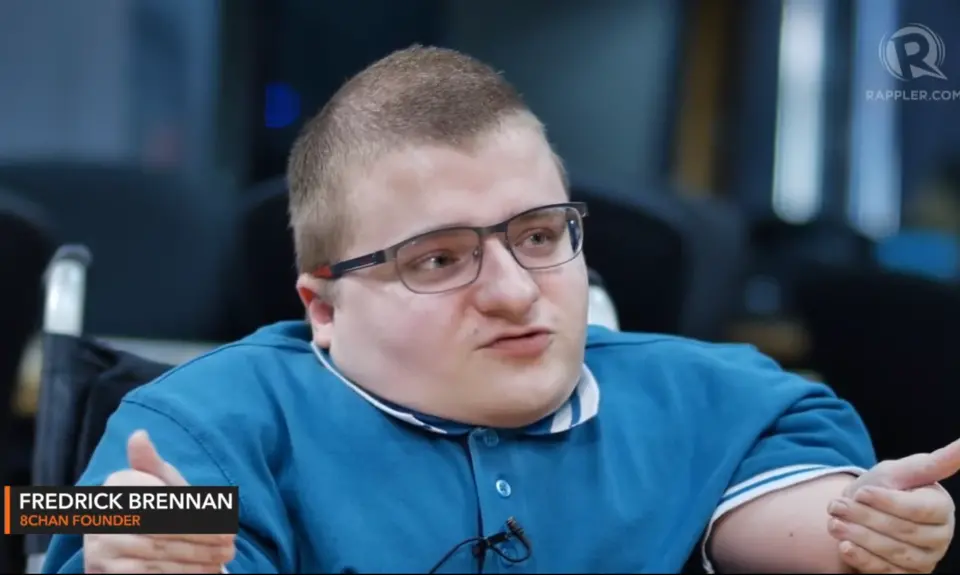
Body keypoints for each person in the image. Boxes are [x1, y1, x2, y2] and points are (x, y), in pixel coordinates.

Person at [43, 45, 958, 574]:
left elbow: (806, 526)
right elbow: (72, 520)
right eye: (440, 258)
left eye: (540, 234)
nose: (517, 290)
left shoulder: (723, 397)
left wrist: (867, 524)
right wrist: (131, 549)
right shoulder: (200, 426)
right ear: (323, 305)